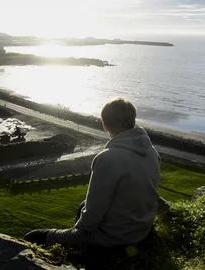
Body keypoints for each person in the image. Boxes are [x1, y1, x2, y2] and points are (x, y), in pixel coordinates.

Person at [24, 97, 161, 249]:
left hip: (116, 237)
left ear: (105, 126)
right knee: (82, 205)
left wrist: (75, 234)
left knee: (34, 236)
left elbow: (91, 217)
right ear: (132, 121)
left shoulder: (107, 158)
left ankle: (79, 252)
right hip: (141, 229)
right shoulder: (152, 152)